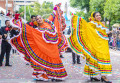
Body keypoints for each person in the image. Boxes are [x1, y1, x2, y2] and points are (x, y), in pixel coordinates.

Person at [10, 4, 67, 82]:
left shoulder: (48, 22)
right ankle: (46, 75)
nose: (39, 19)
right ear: (36, 20)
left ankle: (57, 76)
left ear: (42, 18)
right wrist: (17, 20)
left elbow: (53, 15)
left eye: (40, 18)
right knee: (44, 60)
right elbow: (27, 29)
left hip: (53, 47)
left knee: (55, 59)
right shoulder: (37, 29)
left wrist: (55, 8)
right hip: (45, 48)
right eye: (37, 19)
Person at [68, 12, 112, 83]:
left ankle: (100, 76)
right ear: (94, 17)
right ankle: (99, 77)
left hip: (102, 44)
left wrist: (107, 33)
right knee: (95, 58)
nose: (99, 16)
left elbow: (101, 33)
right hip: (96, 45)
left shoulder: (101, 24)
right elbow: (86, 28)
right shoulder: (92, 23)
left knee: (101, 58)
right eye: (97, 15)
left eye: (99, 15)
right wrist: (77, 19)